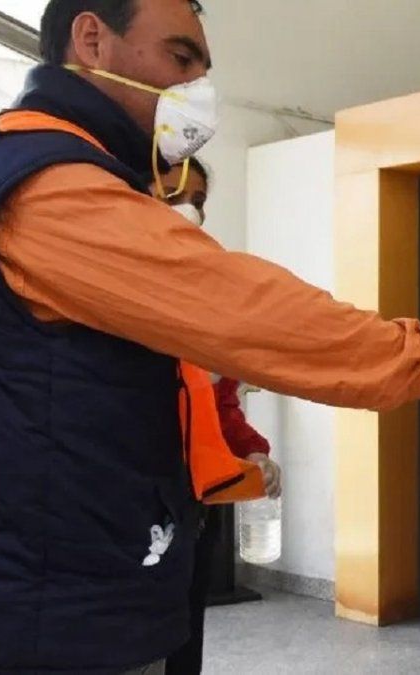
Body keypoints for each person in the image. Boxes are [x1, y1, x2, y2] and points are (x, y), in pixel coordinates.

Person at [0, 2, 420, 673]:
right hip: (49, 617)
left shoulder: (27, 161)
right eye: (180, 58)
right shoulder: (42, 184)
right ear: (92, 39)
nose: (197, 89)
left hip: (72, 580)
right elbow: (247, 314)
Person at [154, 157, 281, 675]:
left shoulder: (207, 291)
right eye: (171, 194)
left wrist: (253, 451)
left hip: (197, 504)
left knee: (185, 634)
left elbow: (222, 405)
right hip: (134, 506)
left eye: (199, 200)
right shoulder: (112, 286)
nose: (188, 210)